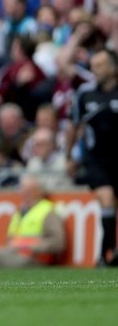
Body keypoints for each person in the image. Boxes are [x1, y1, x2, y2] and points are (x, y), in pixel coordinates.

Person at [67, 49, 118, 264]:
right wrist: (69, 155)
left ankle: (111, 254)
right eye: (93, 65)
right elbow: (73, 126)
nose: (94, 70)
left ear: (114, 68)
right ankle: (104, 253)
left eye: (100, 65)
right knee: (106, 198)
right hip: (96, 159)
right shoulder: (84, 94)